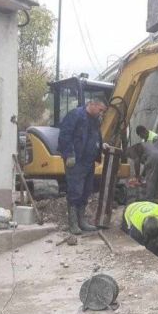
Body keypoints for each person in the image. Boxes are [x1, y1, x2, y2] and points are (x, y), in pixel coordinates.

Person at [58, 100, 106, 235]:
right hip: (76, 161)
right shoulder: (75, 115)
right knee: (75, 191)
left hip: (88, 161)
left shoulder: (95, 120)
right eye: (100, 110)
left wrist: (101, 147)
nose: (101, 113)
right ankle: (73, 223)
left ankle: (81, 221)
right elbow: (65, 135)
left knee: (86, 190)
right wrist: (69, 154)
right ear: (93, 104)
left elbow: (96, 136)